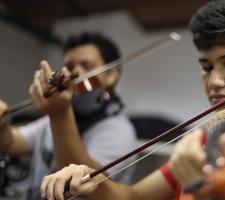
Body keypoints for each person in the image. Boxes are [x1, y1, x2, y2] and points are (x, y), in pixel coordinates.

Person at [39, 0, 225, 199]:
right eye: (207, 67)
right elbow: (133, 196)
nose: (213, 81)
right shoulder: (211, 140)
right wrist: (93, 179)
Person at [0, 32, 138, 199]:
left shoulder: (119, 131)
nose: (76, 73)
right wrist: (2, 124)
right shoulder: (55, 116)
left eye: (86, 65)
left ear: (111, 74)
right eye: (70, 67)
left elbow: (80, 183)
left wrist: (59, 113)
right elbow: (11, 143)